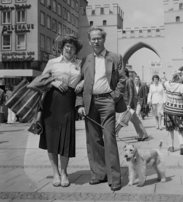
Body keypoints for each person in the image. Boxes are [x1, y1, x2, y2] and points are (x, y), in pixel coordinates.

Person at [76, 27, 126, 191]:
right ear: (89, 41)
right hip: (90, 102)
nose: (96, 41)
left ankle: (115, 178)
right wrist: (80, 104)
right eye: (93, 39)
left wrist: (114, 98)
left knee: (109, 138)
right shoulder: (85, 60)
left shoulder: (115, 57)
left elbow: (122, 80)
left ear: (104, 40)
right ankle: (99, 174)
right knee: (93, 140)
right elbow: (78, 84)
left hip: (107, 101)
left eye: (99, 38)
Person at [39, 35, 83, 187]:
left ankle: (64, 172)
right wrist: (54, 82)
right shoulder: (52, 62)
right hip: (52, 101)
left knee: (66, 138)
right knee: (51, 138)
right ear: (62, 48)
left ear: (76, 50)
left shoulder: (80, 64)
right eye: (67, 47)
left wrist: (82, 82)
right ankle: (55, 173)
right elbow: (41, 81)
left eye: (72, 47)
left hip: (69, 101)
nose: (69, 49)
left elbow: (87, 77)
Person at [163, 71, 183, 155]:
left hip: (168, 110)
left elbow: (163, 82)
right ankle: (181, 145)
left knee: (170, 129)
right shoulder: (181, 86)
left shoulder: (167, 84)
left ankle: (171, 147)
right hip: (178, 111)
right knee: (180, 129)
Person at [117, 68, 148, 141]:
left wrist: (129, 104)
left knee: (131, 119)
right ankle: (142, 134)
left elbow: (131, 93)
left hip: (128, 104)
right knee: (134, 120)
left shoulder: (129, 80)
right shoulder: (125, 80)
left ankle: (143, 134)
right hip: (126, 103)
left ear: (125, 73)